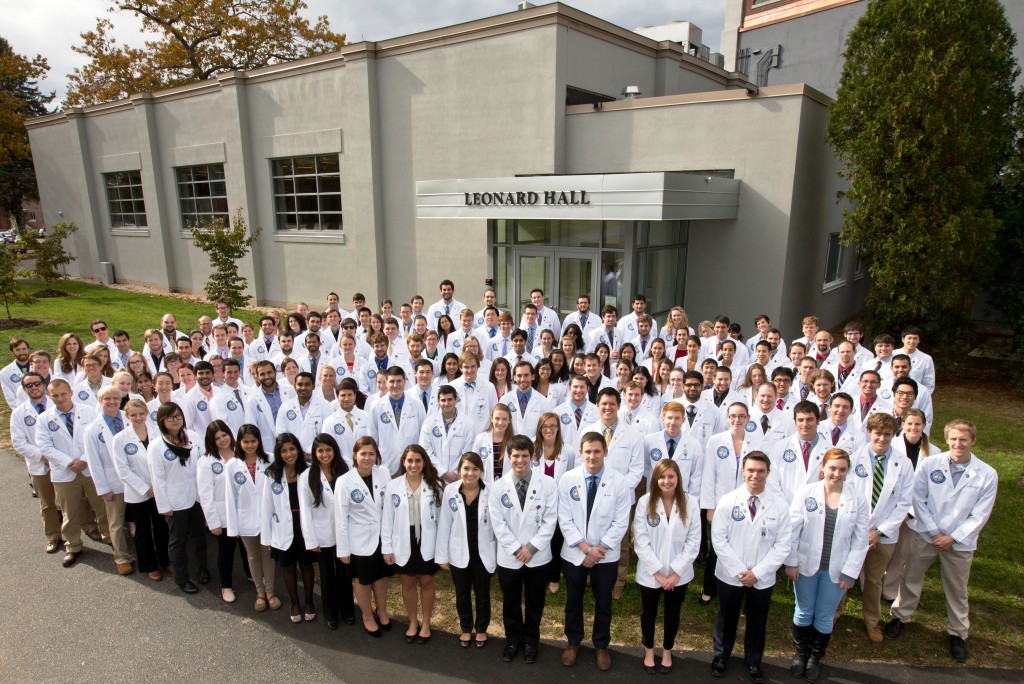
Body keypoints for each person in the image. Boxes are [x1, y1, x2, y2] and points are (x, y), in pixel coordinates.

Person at [884, 419, 997, 662]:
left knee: (957, 588)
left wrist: (952, 537)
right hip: (927, 534)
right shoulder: (930, 464)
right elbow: (918, 498)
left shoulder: (987, 474)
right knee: (911, 576)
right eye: (954, 439)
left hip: (959, 542)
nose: (958, 444)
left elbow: (981, 514)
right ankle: (901, 616)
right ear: (947, 439)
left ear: (973, 441)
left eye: (964, 439)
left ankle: (957, 632)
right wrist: (935, 533)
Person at [785, 448, 869, 682]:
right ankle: (800, 655)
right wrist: (791, 562)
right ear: (823, 467)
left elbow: (860, 541)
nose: (836, 473)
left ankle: (815, 658)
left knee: (824, 615)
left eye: (842, 469)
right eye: (832, 468)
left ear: (847, 471)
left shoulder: (857, 498)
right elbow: (792, 530)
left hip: (837, 571)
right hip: (805, 566)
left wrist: (851, 572)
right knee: (803, 611)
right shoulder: (807, 492)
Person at [709, 451, 791, 683]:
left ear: (768, 473)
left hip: (761, 578)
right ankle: (721, 656)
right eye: (751, 470)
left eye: (761, 471)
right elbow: (719, 540)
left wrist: (757, 573)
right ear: (743, 471)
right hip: (730, 575)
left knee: (757, 620)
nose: (755, 475)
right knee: (726, 618)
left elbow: (783, 545)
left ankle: (754, 661)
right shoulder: (728, 500)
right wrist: (740, 571)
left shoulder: (779, 505)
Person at [557, 432, 632, 671]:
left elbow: (621, 522)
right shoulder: (568, 479)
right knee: (573, 600)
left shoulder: (619, 482)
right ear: (581, 453)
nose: (592, 456)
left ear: (605, 453)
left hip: (605, 555)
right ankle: (573, 642)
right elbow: (564, 518)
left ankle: (601, 645)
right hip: (575, 553)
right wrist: (584, 548)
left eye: (597, 451)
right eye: (587, 451)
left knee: (603, 602)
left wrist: (598, 550)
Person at [489, 435, 558, 663]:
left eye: (524, 456)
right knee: (510, 601)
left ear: (532, 456)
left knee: (535, 602)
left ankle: (531, 642)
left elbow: (550, 521)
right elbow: (497, 524)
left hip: (537, 557)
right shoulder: (498, 487)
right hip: (510, 557)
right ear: (508, 457)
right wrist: (517, 549)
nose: (520, 460)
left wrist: (531, 548)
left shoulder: (547, 483)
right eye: (515, 456)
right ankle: (512, 640)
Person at [849, 413, 913, 643]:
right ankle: (833, 614)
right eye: (878, 433)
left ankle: (872, 620)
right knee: (844, 574)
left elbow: (904, 503)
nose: (882, 439)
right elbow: (846, 496)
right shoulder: (853, 459)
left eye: (887, 434)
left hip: (884, 535)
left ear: (894, 435)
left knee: (874, 580)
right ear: (869, 432)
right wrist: (859, 530)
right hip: (853, 530)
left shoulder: (903, 463)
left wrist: (879, 531)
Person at [633, 458, 701, 674]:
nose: (666, 481)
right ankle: (650, 650)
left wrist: (675, 573)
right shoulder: (645, 502)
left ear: (678, 478)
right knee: (649, 613)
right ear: (655, 479)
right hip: (651, 573)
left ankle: (668, 650)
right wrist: (659, 574)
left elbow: (694, 542)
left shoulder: (690, 502)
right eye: (662, 476)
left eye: (671, 476)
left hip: (679, 575)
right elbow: (641, 542)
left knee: (673, 613)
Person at [36, 378, 106, 568]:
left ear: (71, 393)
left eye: (63, 394)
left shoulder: (89, 411)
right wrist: (69, 462)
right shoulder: (44, 419)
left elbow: (98, 438)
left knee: (101, 505)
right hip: (64, 471)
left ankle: (109, 537)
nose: (60, 398)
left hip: (89, 467)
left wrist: (84, 459)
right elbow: (44, 446)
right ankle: (73, 546)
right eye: (55, 395)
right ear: (49, 396)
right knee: (70, 511)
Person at [382, 444, 443, 643]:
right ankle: (412, 622)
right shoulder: (393, 485)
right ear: (403, 462)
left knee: (426, 581)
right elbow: (387, 520)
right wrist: (387, 548)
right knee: (407, 583)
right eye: (410, 461)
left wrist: (442, 549)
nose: (414, 465)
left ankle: (425, 623)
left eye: (418, 460)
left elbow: (443, 521)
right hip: (403, 539)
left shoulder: (435, 485)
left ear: (424, 462)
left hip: (428, 539)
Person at [437, 451, 497, 648]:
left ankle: (481, 629)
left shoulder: (492, 490)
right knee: (462, 593)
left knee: (482, 594)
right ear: (459, 470)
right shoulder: (450, 491)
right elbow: (444, 524)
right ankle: (465, 628)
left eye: (475, 469)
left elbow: (498, 525)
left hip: (483, 552)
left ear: (481, 471)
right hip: (459, 552)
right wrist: (442, 556)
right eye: (466, 468)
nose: (470, 473)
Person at [148, 402, 210, 593]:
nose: (175, 420)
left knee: (199, 537)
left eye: (178, 416)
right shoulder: (156, 446)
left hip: (197, 497)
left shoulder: (194, 437)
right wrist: (164, 505)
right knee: (178, 541)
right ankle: (181, 578)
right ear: (162, 421)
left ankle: (202, 569)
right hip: (175, 502)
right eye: (170, 417)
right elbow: (157, 479)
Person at [336, 436, 393, 636]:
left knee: (381, 577)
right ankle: (367, 615)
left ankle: (382, 610)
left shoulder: (384, 473)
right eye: (363, 454)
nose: (367, 458)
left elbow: (389, 508)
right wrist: (343, 549)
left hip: (382, 537)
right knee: (363, 580)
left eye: (371, 454)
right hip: (359, 540)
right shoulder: (344, 481)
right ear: (354, 455)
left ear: (377, 456)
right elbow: (340, 518)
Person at [882, 408, 940, 601]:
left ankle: (889, 589)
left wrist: (909, 512)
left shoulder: (934, 453)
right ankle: (870, 584)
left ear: (924, 426)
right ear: (903, 425)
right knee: (881, 550)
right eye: (909, 423)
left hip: (913, 512)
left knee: (901, 553)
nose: (913, 427)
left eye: (917, 424)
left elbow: (930, 490)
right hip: (888, 507)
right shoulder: (891, 446)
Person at [298, 433, 354, 629]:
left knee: (344, 573)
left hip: (344, 531)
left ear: (334, 450)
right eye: (320, 450)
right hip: (322, 533)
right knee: (327, 574)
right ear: (314, 453)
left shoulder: (345, 469)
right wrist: (311, 540)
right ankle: (331, 612)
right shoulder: (306, 476)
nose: (324, 454)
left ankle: (347, 609)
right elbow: (305, 511)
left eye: (328, 449)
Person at [112, 398, 170, 581]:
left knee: (161, 527)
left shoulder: (158, 433)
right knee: (143, 530)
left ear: (146, 413)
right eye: (133, 415)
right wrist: (146, 489)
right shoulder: (120, 439)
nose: (138, 418)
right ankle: (150, 565)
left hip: (158, 489)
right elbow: (123, 471)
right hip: (138, 493)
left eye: (141, 414)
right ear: (127, 417)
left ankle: (165, 560)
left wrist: (157, 487)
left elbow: (165, 461)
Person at [262, 433, 317, 624]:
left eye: (292, 449)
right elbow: (266, 506)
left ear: (298, 450)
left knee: (306, 565)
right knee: (288, 567)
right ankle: (295, 602)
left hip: (304, 525)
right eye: (284, 450)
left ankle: (309, 601)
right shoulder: (271, 474)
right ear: (278, 453)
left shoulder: (308, 470)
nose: (289, 454)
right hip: (283, 526)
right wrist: (267, 538)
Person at [225, 424, 279, 612]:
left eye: (253, 441)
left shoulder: (270, 460)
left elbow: (277, 491)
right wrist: (233, 527)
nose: (250, 445)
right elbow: (229, 497)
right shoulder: (232, 465)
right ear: (239, 443)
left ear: (259, 441)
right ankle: (260, 592)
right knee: (253, 556)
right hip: (245, 519)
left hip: (267, 518)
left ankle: (271, 592)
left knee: (268, 556)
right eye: (246, 441)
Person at [83, 385, 133, 575]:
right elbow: (94, 462)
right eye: (107, 399)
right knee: (116, 522)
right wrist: (103, 488)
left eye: (115, 398)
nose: (112, 402)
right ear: (100, 401)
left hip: (136, 479)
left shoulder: (130, 417)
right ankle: (121, 557)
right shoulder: (92, 430)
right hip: (113, 482)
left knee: (144, 520)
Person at [10, 372, 61, 553]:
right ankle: (54, 536)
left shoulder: (58, 404)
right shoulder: (19, 414)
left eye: (37, 383)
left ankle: (87, 528)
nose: (34, 388)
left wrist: (56, 455)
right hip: (39, 465)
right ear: (24, 389)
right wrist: (43, 456)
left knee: (74, 501)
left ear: (44, 384)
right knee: (47, 504)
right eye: (29, 385)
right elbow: (18, 442)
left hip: (62, 462)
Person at [198, 420, 248, 601]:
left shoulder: (241, 453)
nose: (222, 440)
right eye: (217, 438)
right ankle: (226, 586)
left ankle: (251, 574)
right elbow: (205, 495)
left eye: (224, 435)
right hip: (223, 515)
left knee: (247, 548)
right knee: (226, 552)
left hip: (244, 512)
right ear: (211, 440)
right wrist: (213, 522)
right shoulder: (206, 462)